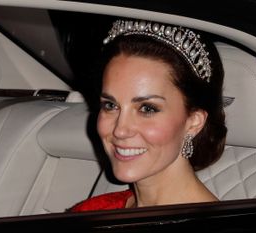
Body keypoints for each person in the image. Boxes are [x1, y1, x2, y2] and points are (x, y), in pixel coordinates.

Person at [68, 19, 227, 212]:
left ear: (193, 122)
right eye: (110, 105)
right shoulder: (92, 211)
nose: (120, 130)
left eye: (147, 109)